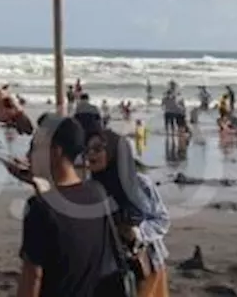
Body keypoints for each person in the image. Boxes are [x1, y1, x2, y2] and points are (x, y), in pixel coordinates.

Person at [15, 115, 115, 297]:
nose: (28, 156)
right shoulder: (97, 192)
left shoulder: (39, 208)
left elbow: (33, 277)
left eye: (34, 148)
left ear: (55, 151)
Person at [87, 129, 171, 297]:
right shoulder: (91, 188)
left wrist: (137, 233)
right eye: (87, 149)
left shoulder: (138, 183)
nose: (90, 154)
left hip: (145, 265)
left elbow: (162, 220)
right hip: (108, 269)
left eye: (97, 149)